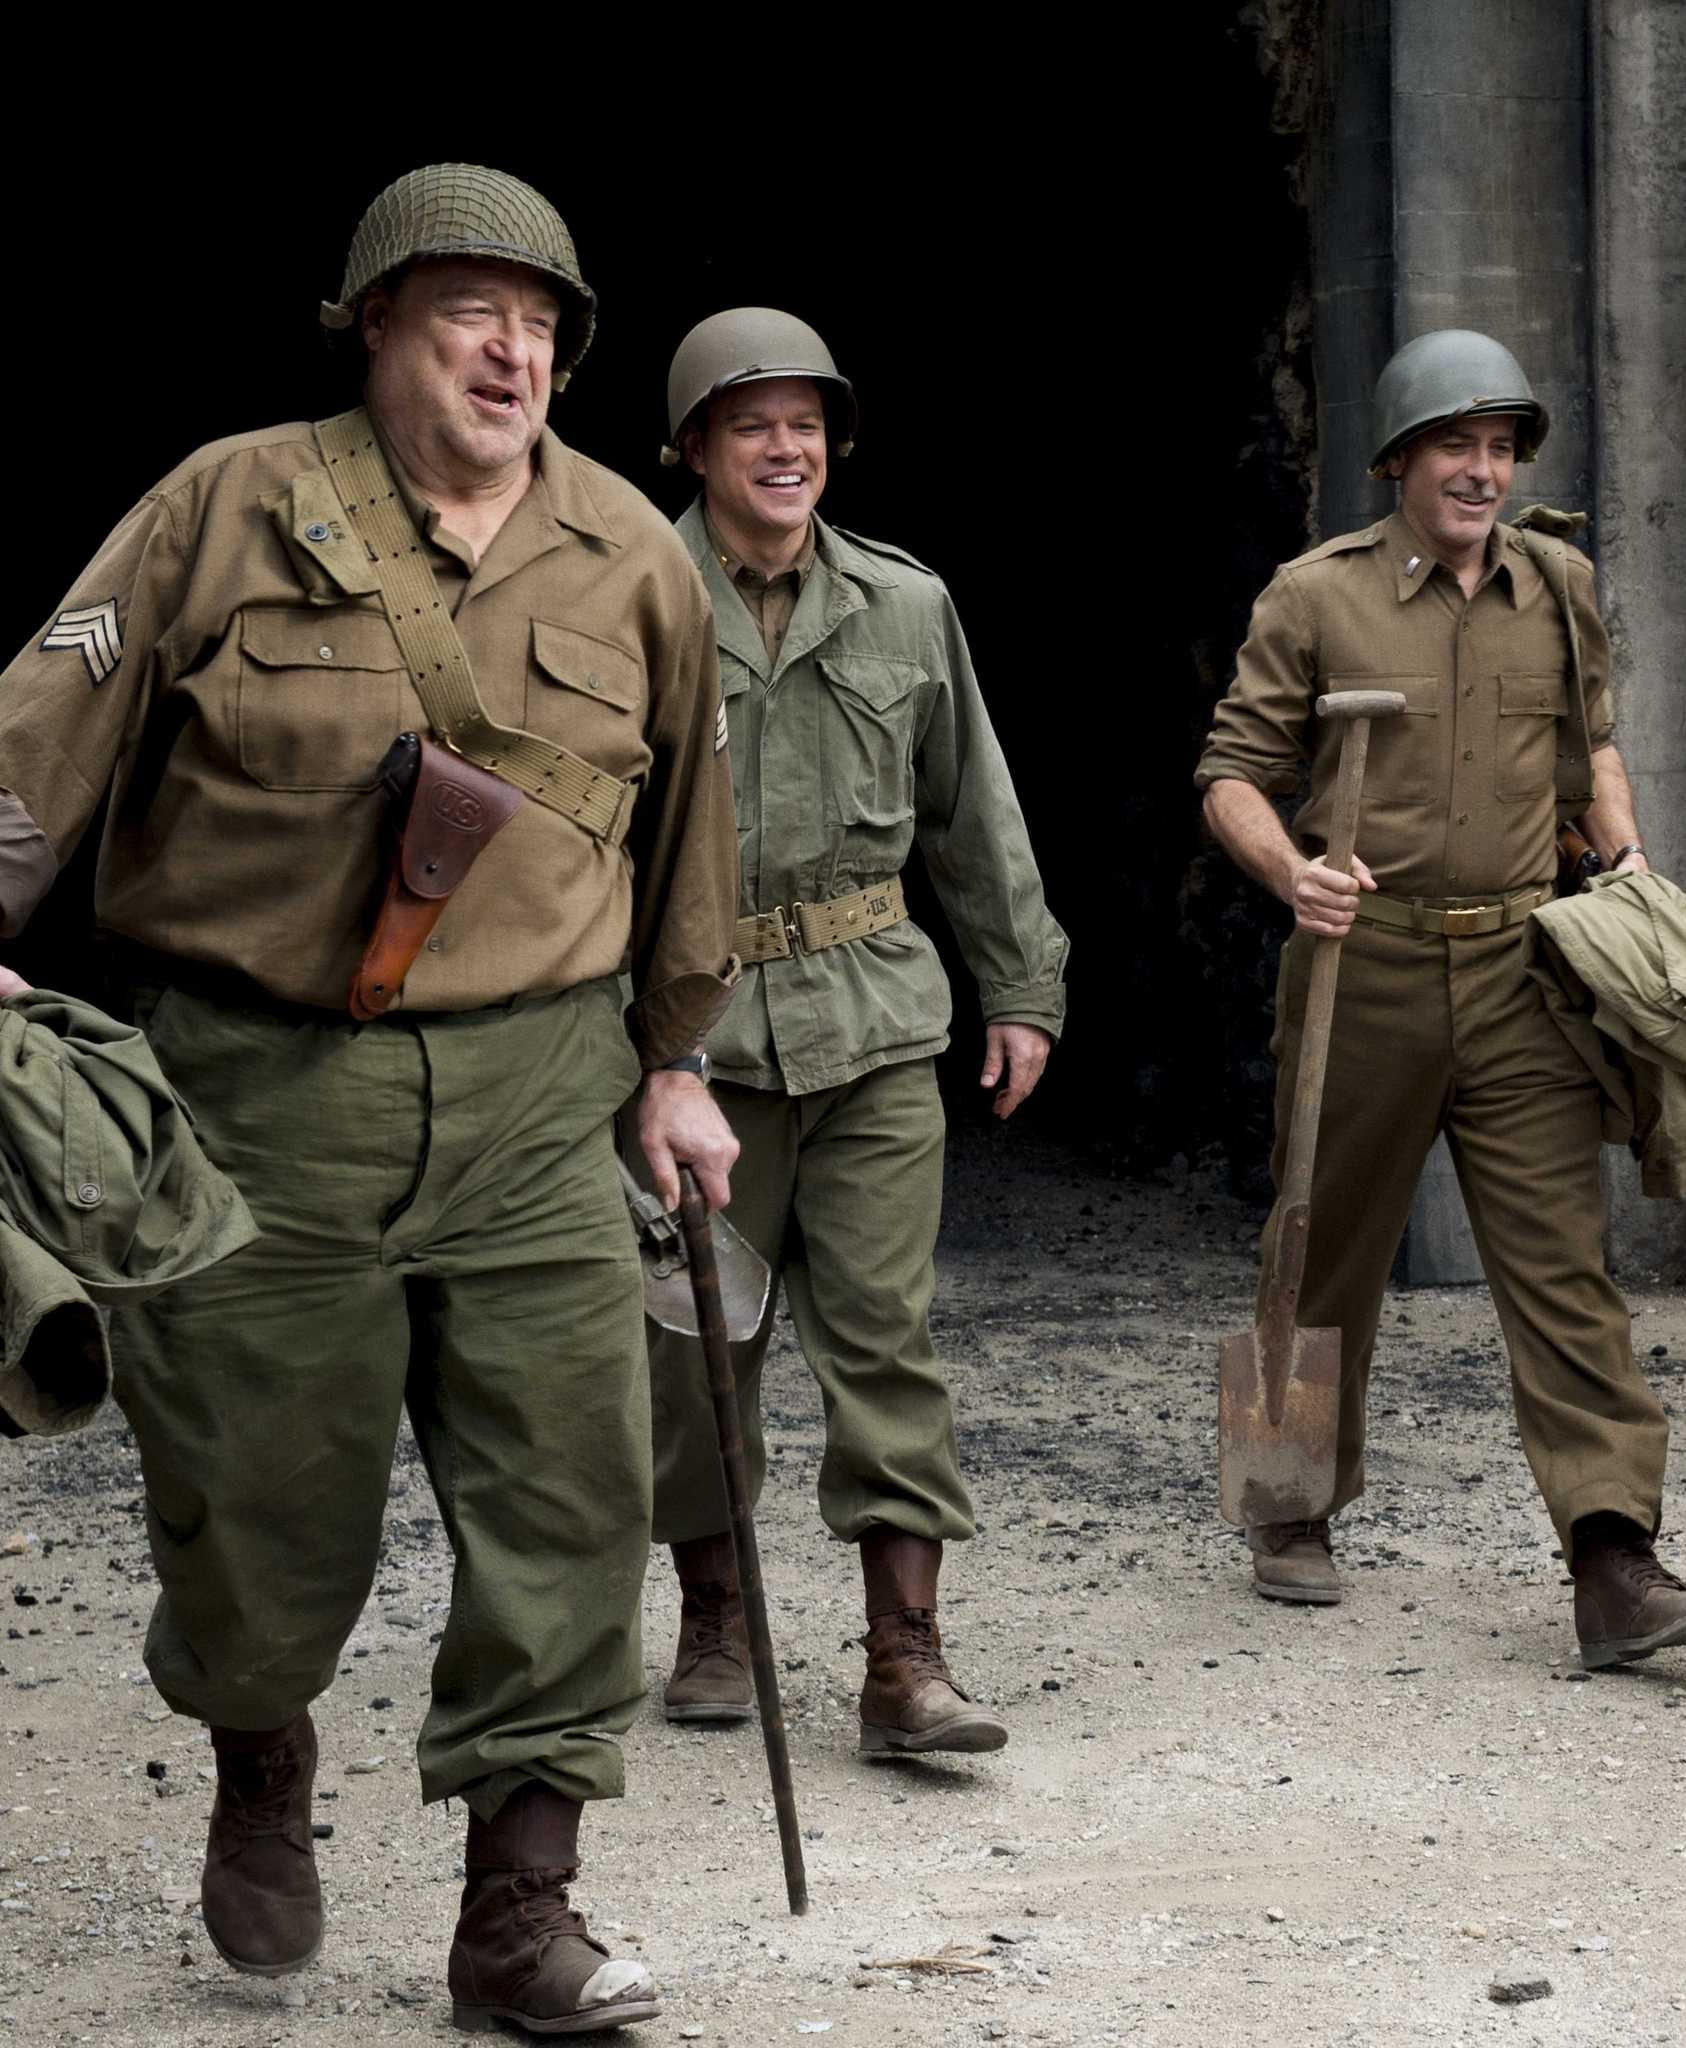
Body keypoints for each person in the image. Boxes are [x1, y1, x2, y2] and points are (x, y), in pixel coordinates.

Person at [0, 163, 742, 2031]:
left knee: (573, 1497)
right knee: (254, 1509)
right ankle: (261, 1747)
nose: (514, 354)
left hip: (539, 1094)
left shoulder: (634, 553)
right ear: (378, 325)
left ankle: (521, 1909)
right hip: (256, 1096)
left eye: (544, 326)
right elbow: (37, 744)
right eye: (473, 314)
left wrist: (674, 1061)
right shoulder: (221, 503)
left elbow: (691, 832)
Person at [1195, 328, 1686, 1670]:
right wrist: (1293, 873)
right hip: (1361, 971)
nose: (1482, 471)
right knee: (1323, 1246)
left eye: (1499, 449)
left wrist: (1623, 860)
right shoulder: (1315, 597)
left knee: (1564, 1267)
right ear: (1399, 460)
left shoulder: (1559, 585)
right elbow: (1232, 776)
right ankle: (1286, 1502)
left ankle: (1613, 1554)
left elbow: (1590, 746)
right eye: (1456, 446)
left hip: (1516, 972)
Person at [647, 309, 1066, 1756]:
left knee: (885, 1333)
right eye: (751, 423)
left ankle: (906, 1660)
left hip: (875, 1020)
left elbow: (973, 811)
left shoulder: (903, 603)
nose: (786, 447)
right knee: (699, 1343)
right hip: (697, 1040)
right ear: (695, 445)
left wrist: (1022, 988)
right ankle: (714, 1615)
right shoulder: (630, 596)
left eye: (807, 423)